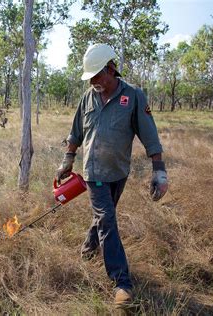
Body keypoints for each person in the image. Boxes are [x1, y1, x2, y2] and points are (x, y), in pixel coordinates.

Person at [55, 43, 168, 308]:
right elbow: (75, 133)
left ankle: (88, 247)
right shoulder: (88, 97)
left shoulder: (134, 96)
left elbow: (150, 136)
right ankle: (122, 283)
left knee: (103, 217)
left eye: (97, 75)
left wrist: (159, 171)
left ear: (111, 69)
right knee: (107, 218)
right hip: (93, 172)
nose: (94, 81)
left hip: (118, 172)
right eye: (90, 77)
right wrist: (67, 159)